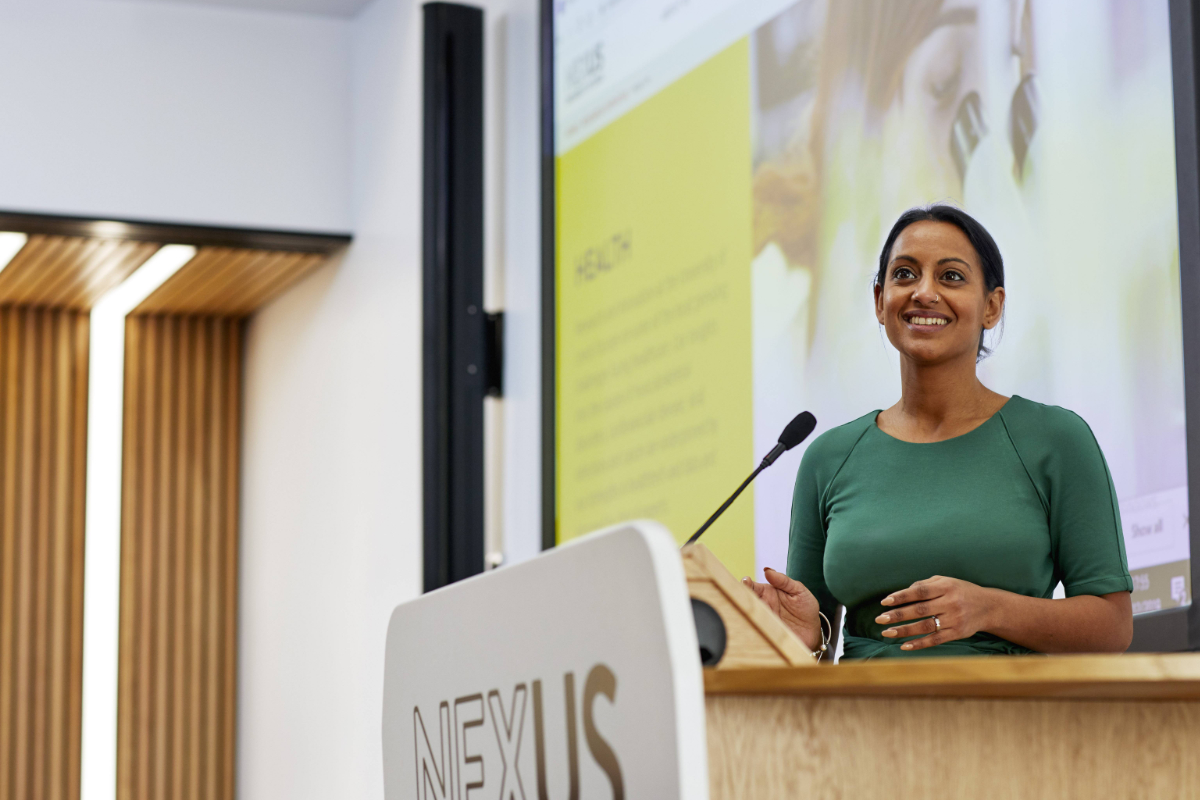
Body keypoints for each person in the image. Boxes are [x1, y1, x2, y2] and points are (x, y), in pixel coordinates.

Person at [744, 205, 1134, 659]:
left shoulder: (1055, 439)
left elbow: (1112, 626)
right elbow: (816, 643)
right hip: (860, 722)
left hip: (1013, 723)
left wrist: (989, 609)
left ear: (992, 306)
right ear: (879, 301)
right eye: (905, 274)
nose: (924, 292)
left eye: (951, 277)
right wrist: (804, 636)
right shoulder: (828, 457)